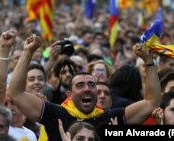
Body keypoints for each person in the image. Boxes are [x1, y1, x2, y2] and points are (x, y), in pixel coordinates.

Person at [8, 35, 161, 141]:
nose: (87, 89)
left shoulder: (111, 118)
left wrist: (148, 61)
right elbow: (16, 92)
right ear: (69, 93)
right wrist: (28, 52)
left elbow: (151, 102)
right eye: (80, 85)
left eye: (91, 84)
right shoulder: (54, 114)